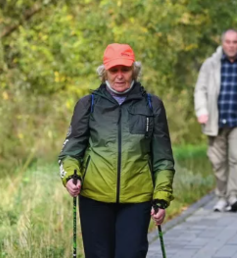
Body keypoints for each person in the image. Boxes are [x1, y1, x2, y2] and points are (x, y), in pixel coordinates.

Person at [58, 43, 175, 257]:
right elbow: (70, 152)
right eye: (114, 70)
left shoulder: (152, 105)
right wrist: (70, 176)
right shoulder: (88, 105)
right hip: (94, 197)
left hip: (137, 198)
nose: (119, 76)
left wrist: (161, 196)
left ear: (134, 71)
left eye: (125, 69)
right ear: (105, 72)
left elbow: (163, 159)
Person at [194, 29, 237, 212]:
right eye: (228, 42)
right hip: (215, 121)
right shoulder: (210, 64)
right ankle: (221, 197)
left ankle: (233, 197)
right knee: (218, 162)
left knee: (236, 159)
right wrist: (202, 111)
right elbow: (200, 90)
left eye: (235, 42)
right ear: (222, 43)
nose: (231, 45)